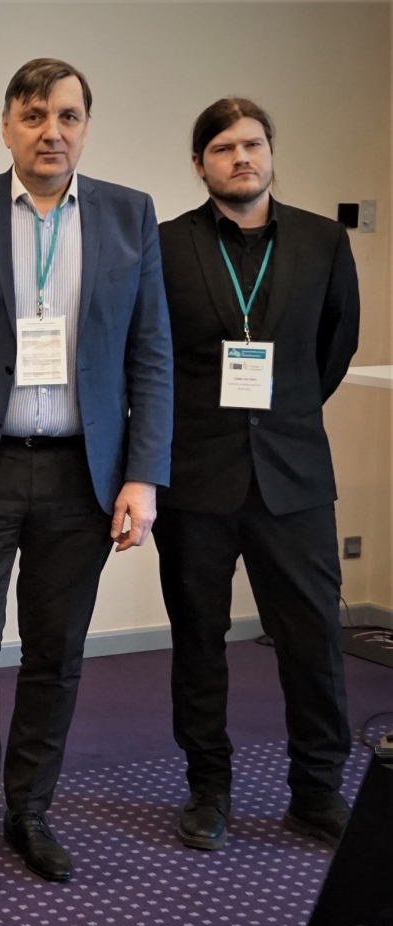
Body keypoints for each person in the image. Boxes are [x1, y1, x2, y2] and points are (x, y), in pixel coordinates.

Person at [0, 58, 173, 884]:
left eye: (67, 116)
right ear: (7, 127)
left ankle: (30, 808)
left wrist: (144, 475)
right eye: (33, 116)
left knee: (56, 652)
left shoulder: (131, 215)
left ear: (86, 126)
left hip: (81, 474)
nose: (51, 132)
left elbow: (151, 352)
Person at [157, 99, 359, 850]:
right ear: (199, 163)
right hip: (195, 477)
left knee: (313, 638)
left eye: (252, 144)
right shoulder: (166, 245)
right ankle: (208, 789)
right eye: (223, 147)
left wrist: (283, 413)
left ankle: (317, 790)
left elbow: (335, 345)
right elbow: (152, 355)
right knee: (199, 641)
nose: (241, 157)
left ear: (270, 152)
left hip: (294, 476)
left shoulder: (322, 240)